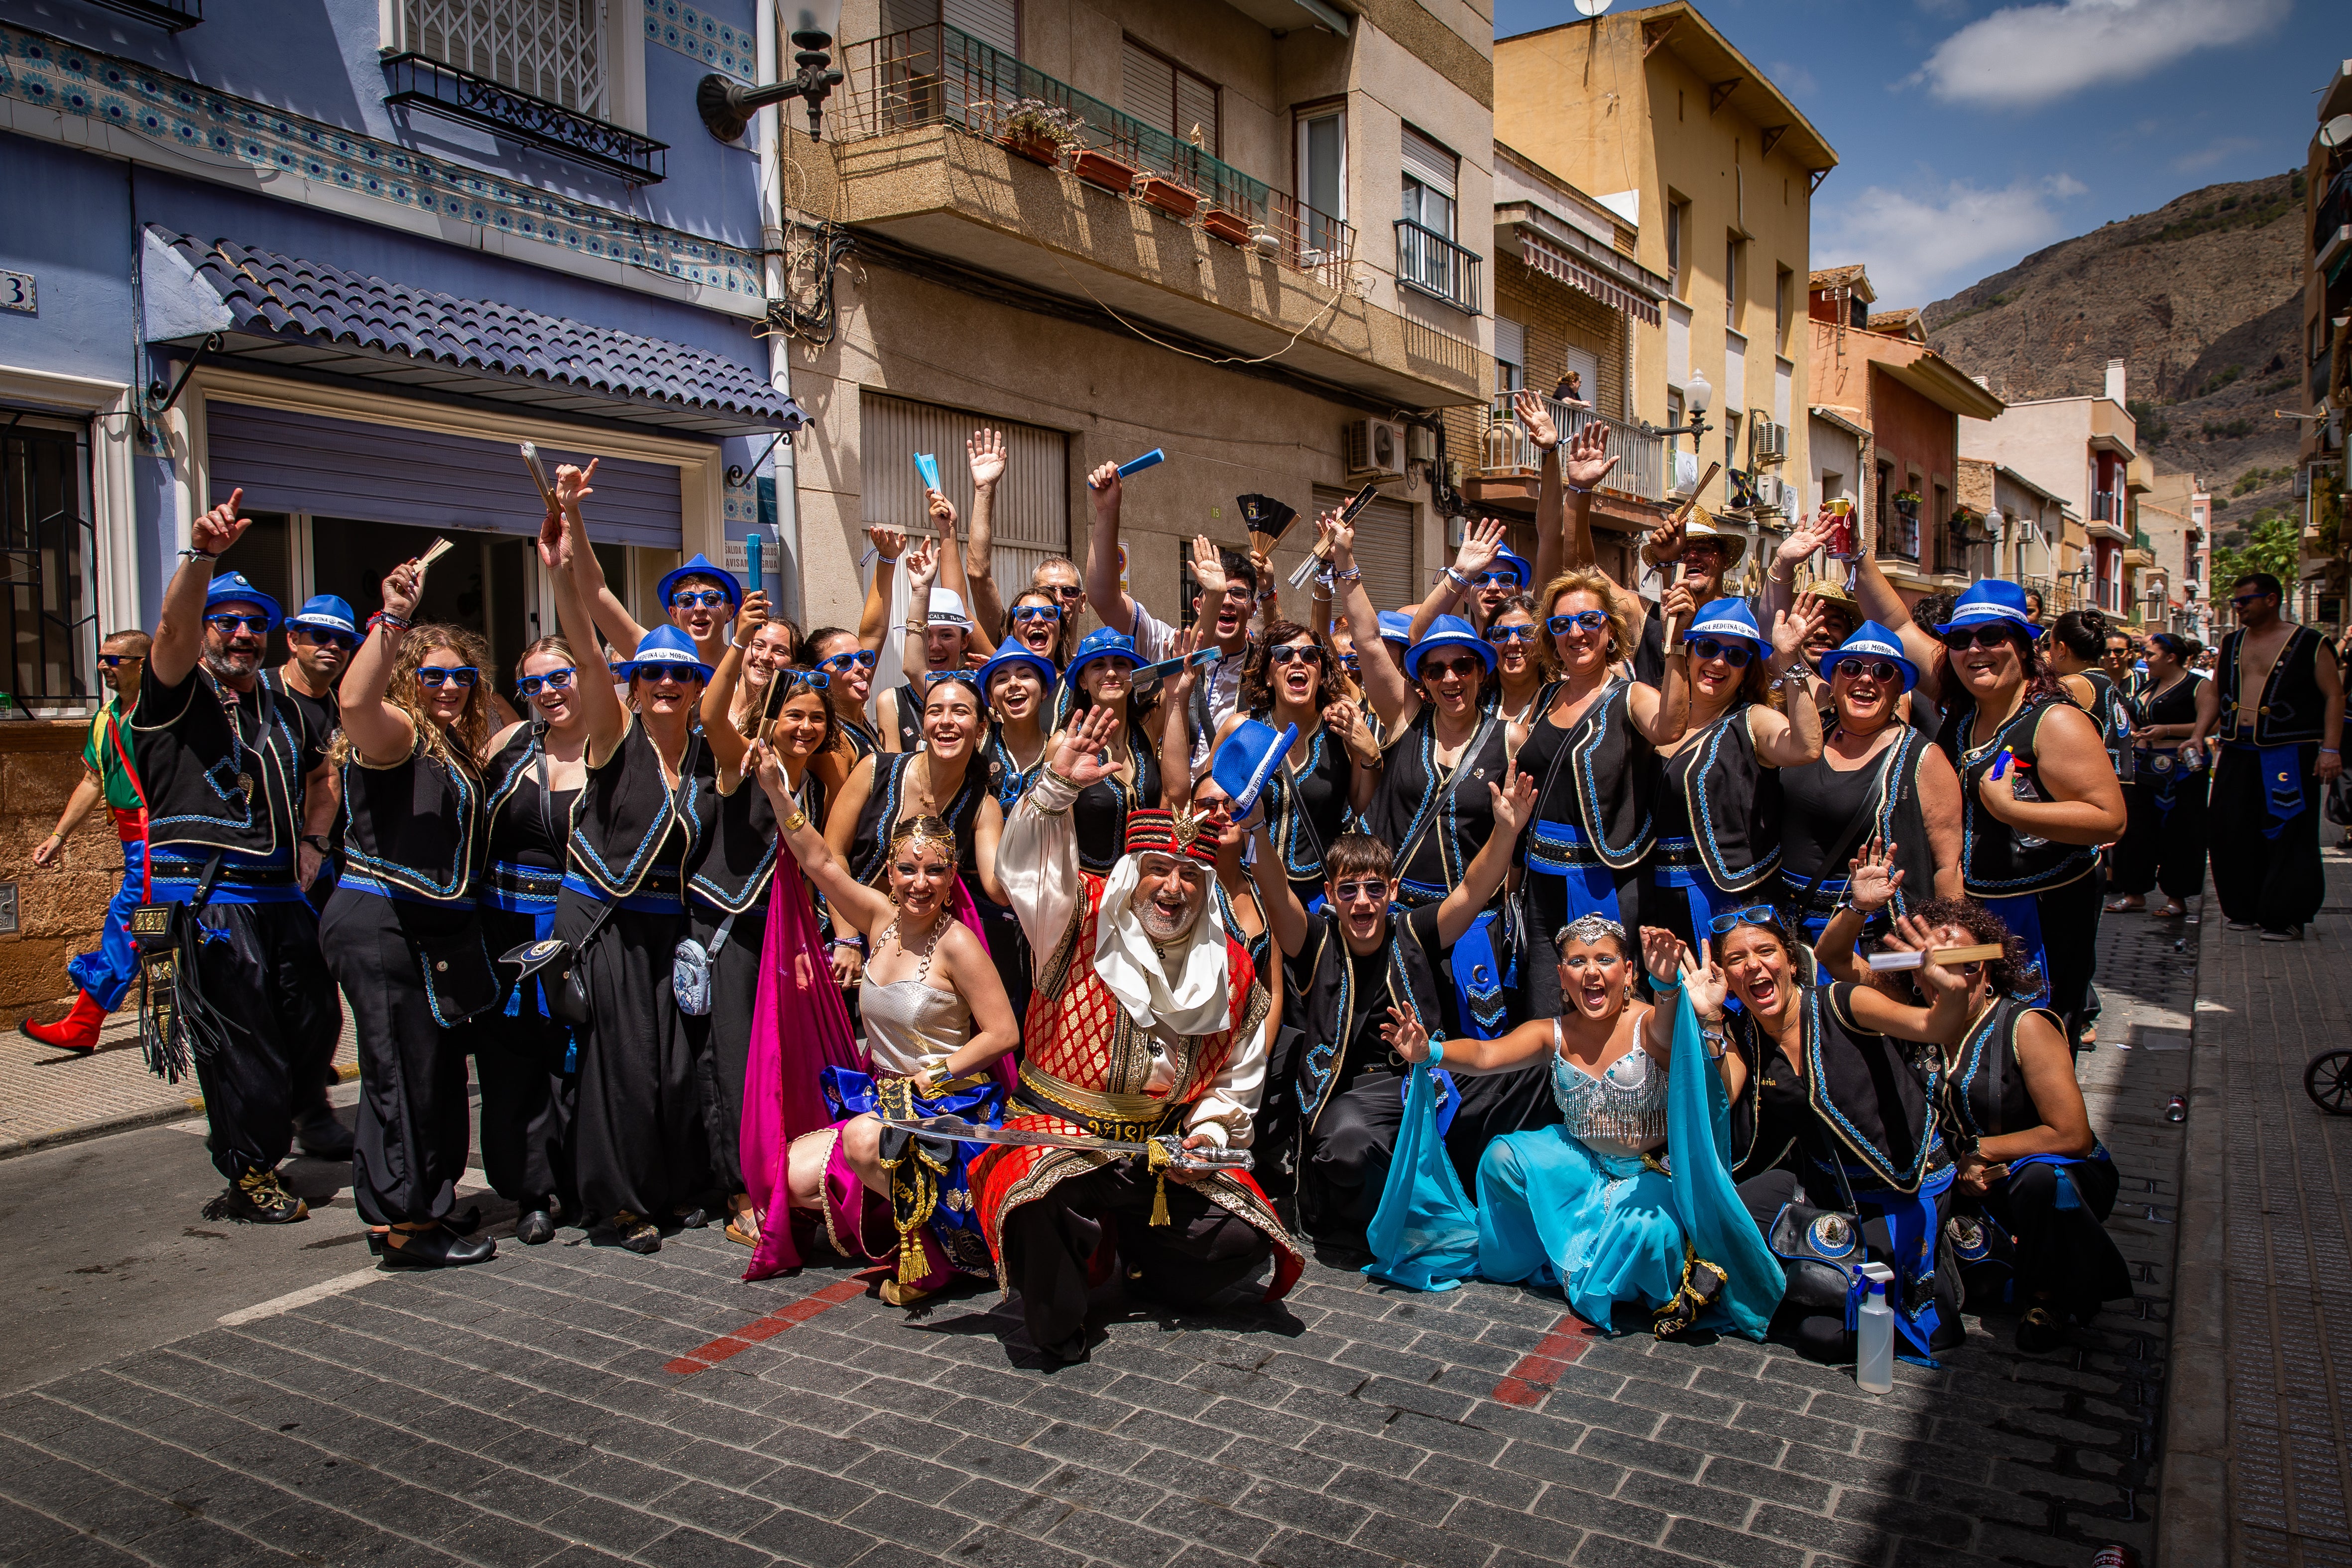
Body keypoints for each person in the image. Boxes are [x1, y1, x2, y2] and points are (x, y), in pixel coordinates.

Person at [977, 706, 1299, 1364]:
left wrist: (1207, 1136)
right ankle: (1066, 1311)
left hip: (1155, 1156)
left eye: (1190, 876)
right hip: (1060, 1142)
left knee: (1239, 1241)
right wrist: (1054, 791)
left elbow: (1238, 1071)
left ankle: (1125, 1253)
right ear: (1134, 872)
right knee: (1039, 1200)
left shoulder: (1230, 968)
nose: (1173, 888)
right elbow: (1025, 877)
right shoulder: (1075, 915)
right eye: (1159, 869)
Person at [1382, 920, 1783, 1338]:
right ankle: (1557, 1256)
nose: (1591, 972)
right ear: (1561, 975)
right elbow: (1485, 1054)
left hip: (1649, 1173)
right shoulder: (1552, 1032)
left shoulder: (1647, 1023)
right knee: (1502, 1159)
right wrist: (1431, 1051)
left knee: (1643, 1231)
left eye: (1605, 959)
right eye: (1578, 961)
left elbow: (1667, 1031)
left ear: (1628, 972)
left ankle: (1588, 1264)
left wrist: (1665, 984)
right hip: (1580, 1164)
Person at [131, 498, 342, 1223]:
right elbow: (169, 631)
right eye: (229, 621)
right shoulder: (175, 695)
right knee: (241, 1043)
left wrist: (315, 843)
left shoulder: (288, 708)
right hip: (207, 898)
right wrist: (201, 559)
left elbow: (324, 777)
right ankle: (249, 1170)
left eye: (256, 623)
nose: (244, 634)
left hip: (284, 894)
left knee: (311, 1025)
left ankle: (281, 1130)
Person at [1250, 772, 1537, 1252]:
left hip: (1430, 1078)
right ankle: (1400, 1214)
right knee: (1347, 1146)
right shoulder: (1316, 941)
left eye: (1373, 889)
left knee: (1530, 1074)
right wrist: (1258, 829)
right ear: (1330, 893)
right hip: (1356, 1094)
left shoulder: (1414, 930)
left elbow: (1470, 891)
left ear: (1393, 890)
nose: (1362, 902)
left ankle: (1478, 1189)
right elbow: (1277, 895)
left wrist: (1506, 830)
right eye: (1348, 891)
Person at [539, 463, 712, 1253]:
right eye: (655, 674)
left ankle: (667, 1186)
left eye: (682, 673)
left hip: (664, 932)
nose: (668, 683)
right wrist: (572, 521)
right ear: (634, 686)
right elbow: (583, 630)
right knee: (621, 1069)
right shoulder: (615, 735)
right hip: (604, 925)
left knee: (672, 1071)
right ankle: (617, 1203)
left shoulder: (708, 758)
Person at [761, 775, 1019, 1302]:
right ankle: (907, 1225)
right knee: (791, 1175)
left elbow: (1003, 1032)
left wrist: (936, 1074)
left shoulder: (959, 945)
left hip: (949, 1108)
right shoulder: (881, 921)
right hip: (887, 1098)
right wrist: (775, 790)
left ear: (952, 878)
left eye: (934, 870)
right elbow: (821, 863)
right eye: (907, 868)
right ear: (888, 872)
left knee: (860, 1139)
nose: (919, 882)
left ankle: (936, 1254)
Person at [1702, 905, 1978, 1361]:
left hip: (1903, 1186)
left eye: (1765, 951)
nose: (1753, 965)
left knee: (1823, 1334)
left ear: (1792, 961)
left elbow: (1935, 1026)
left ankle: (1925, 1265)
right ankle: (1814, 1278)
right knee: (1727, 1225)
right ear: (1726, 976)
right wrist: (1710, 1019)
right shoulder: (1744, 1032)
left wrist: (1949, 990)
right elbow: (1719, 1099)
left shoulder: (1843, 1003)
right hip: (1828, 1186)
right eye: (1737, 959)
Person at [320, 564, 497, 1268]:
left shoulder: (448, 743)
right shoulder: (396, 734)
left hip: (420, 931)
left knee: (427, 1070)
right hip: (381, 923)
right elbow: (355, 702)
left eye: (463, 677)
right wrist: (392, 621)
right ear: (407, 682)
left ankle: (417, 1204)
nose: (450, 687)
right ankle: (406, 1228)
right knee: (400, 1073)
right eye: (434, 677)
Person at [1869, 898, 2130, 1353]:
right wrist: (1858, 907)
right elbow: (1837, 963)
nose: (1949, 977)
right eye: (1931, 965)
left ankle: (2048, 1298)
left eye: (1965, 965)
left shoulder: (2024, 1025)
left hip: (2050, 1168)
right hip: (1966, 1176)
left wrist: (1983, 1151)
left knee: (2040, 1181)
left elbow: (2073, 1135)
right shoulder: (1917, 1019)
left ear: (1988, 970)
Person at [1886, 581, 2127, 1045]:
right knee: (1979, 1040)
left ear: (2024, 643)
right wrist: (1855, 557)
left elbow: (2109, 818)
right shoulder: (1968, 710)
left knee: (2032, 1043)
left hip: (2041, 914)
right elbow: (1900, 623)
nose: (1975, 649)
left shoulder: (2055, 720)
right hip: (1978, 910)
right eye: (1960, 639)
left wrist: (2008, 807)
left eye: (1992, 636)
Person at [696, 596, 850, 1249]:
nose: (806, 727)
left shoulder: (819, 774)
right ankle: (741, 1190)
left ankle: (795, 1176)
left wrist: (845, 934)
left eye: (816, 718)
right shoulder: (746, 758)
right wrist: (739, 643)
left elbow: (830, 861)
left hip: (794, 936)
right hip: (732, 928)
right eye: (795, 715)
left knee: (788, 1060)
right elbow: (708, 712)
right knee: (735, 1064)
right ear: (774, 715)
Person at [1513, 567, 1690, 1016]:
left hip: (1605, 883)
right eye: (1561, 624)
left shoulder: (1630, 695)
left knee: (1606, 1012)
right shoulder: (1545, 696)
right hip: (1542, 888)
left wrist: (1676, 644)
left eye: (1589, 621)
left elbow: (1670, 725)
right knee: (1547, 1010)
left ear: (1610, 628)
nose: (1576, 633)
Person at [468, 636, 590, 1244]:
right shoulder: (507, 745)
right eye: (534, 684)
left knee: (576, 1060)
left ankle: (582, 1178)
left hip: (581, 928)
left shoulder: (615, 746)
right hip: (506, 923)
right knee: (511, 1064)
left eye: (560, 676)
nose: (549, 691)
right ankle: (529, 1192)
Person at [1644, 597, 1825, 947]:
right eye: (1709, 647)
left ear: (1747, 669)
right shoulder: (1656, 717)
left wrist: (1790, 662)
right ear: (1688, 650)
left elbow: (1806, 748)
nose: (1718, 661)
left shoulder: (1752, 719)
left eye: (1736, 656)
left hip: (1732, 903)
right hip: (1654, 896)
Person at [1774, 622, 1962, 943]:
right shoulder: (1806, 737)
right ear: (1832, 681)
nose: (1865, 678)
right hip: (1785, 927)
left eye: (1884, 672)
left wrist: (1951, 941)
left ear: (1900, 687)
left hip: (1869, 936)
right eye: (1851, 667)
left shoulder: (1924, 758)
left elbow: (1948, 866)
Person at [2185, 572, 2345, 941]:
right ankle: (2243, 907)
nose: (2238, 608)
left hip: (2289, 752)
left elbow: (2334, 696)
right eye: (2236, 602)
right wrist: (2197, 734)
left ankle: (2285, 915)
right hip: (2238, 748)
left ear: (2271, 600)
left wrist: (2331, 749)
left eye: (2245, 601)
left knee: (2288, 831)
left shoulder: (2309, 642)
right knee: (2229, 829)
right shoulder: (2233, 642)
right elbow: (2214, 692)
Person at [22, 630, 153, 1055]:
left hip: (162, 836)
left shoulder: (161, 713)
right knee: (146, 926)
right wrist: (58, 837)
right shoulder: (103, 718)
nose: (103, 667)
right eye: (101, 658)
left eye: (113, 659)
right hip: (132, 838)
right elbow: (91, 780)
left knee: (129, 923)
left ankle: (83, 1025)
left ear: (142, 662)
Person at [1084, 463, 1258, 768]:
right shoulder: (1168, 644)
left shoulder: (1266, 667)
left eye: (1239, 594)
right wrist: (1106, 512)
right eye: (1216, 594)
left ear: (1253, 608)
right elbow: (1103, 598)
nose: (1227, 602)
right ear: (1198, 605)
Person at [1210, 620, 1380, 907]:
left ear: (1321, 672)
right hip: (1248, 892)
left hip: (1317, 896)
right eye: (1284, 655)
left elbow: (1360, 803)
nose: (1298, 662)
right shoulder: (1240, 728)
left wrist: (1371, 755)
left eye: (1310, 656)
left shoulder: (1339, 732)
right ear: (1267, 675)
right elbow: (1206, 798)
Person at [1039, 628, 1165, 873]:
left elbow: (1188, 663)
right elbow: (1055, 838)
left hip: (1148, 884)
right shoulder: (1063, 745)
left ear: (1133, 676)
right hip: (1090, 890)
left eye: (1120, 663)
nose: (1110, 672)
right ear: (1083, 681)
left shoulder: (1149, 726)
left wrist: (1213, 594)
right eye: (1098, 665)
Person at [977, 646, 1058, 1021]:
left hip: (1050, 912)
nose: (1014, 684)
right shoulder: (975, 750)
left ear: (1044, 690)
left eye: (1025, 674)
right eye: (1001, 678)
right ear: (990, 696)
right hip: (986, 912)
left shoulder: (1062, 750)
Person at [878, 510, 995, 753]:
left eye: (946, 635)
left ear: (966, 642)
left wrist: (948, 531)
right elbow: (892, 777)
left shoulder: (985, 692)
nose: (935, 645)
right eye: (926, 634)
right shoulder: (892, 702)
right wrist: (920, 592)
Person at [2109, 632, 2207, 919]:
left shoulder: (2198, 686)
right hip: (2144, 765)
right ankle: (2134, 893)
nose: (2145, 659)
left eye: (2150, 654)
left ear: (2171, 657)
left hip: (2182, 768)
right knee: (2137, 831)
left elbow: (2209, 725)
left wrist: (2167, 730)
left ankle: (2177, 897)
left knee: (2180, 833)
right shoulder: (2149, 685)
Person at [2048, 610, 2135, 790]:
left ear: (2062, 649)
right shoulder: (2104, 680)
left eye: (2051, 644)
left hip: (2095, 786)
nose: (2049, 652)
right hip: (2118, 782)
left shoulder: (2074, 684)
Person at [806, 625, 883, 762]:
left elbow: (876, 631)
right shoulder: (833, 743)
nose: (860, 666)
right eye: (843, 662)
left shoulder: (856, 716)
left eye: (863, 657)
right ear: (818, 676)